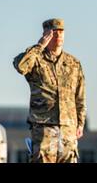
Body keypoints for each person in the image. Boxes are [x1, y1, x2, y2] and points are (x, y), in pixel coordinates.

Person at [13, 18, 86, 163]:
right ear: (46, 34)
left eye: (61, 31)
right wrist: (40, 45)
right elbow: (21, 66)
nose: (58, 35)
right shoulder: (36, 59)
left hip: (68, 129)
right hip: (44, 128)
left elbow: (80, 96)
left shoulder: (73, 63)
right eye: (54, 32)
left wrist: (80, 123)